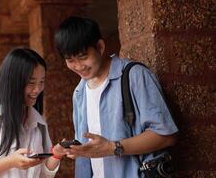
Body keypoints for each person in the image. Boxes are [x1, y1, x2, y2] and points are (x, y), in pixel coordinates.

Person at [53, 16, 178, 178]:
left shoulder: (135, 76)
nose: (78, 66)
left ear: (100, 46)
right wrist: (76, 150)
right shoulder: (79, 92)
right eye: (70, 60)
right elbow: (90, 151)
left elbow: (166, 135)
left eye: (83, 57)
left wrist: (113, 147)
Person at [0, 47, 63, 178]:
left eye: (41, 82)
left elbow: (43, 174)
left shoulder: (39, 123)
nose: (37, 89)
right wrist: (9, 162)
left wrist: (57, 154)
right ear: (13, 82)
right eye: (31, 82)